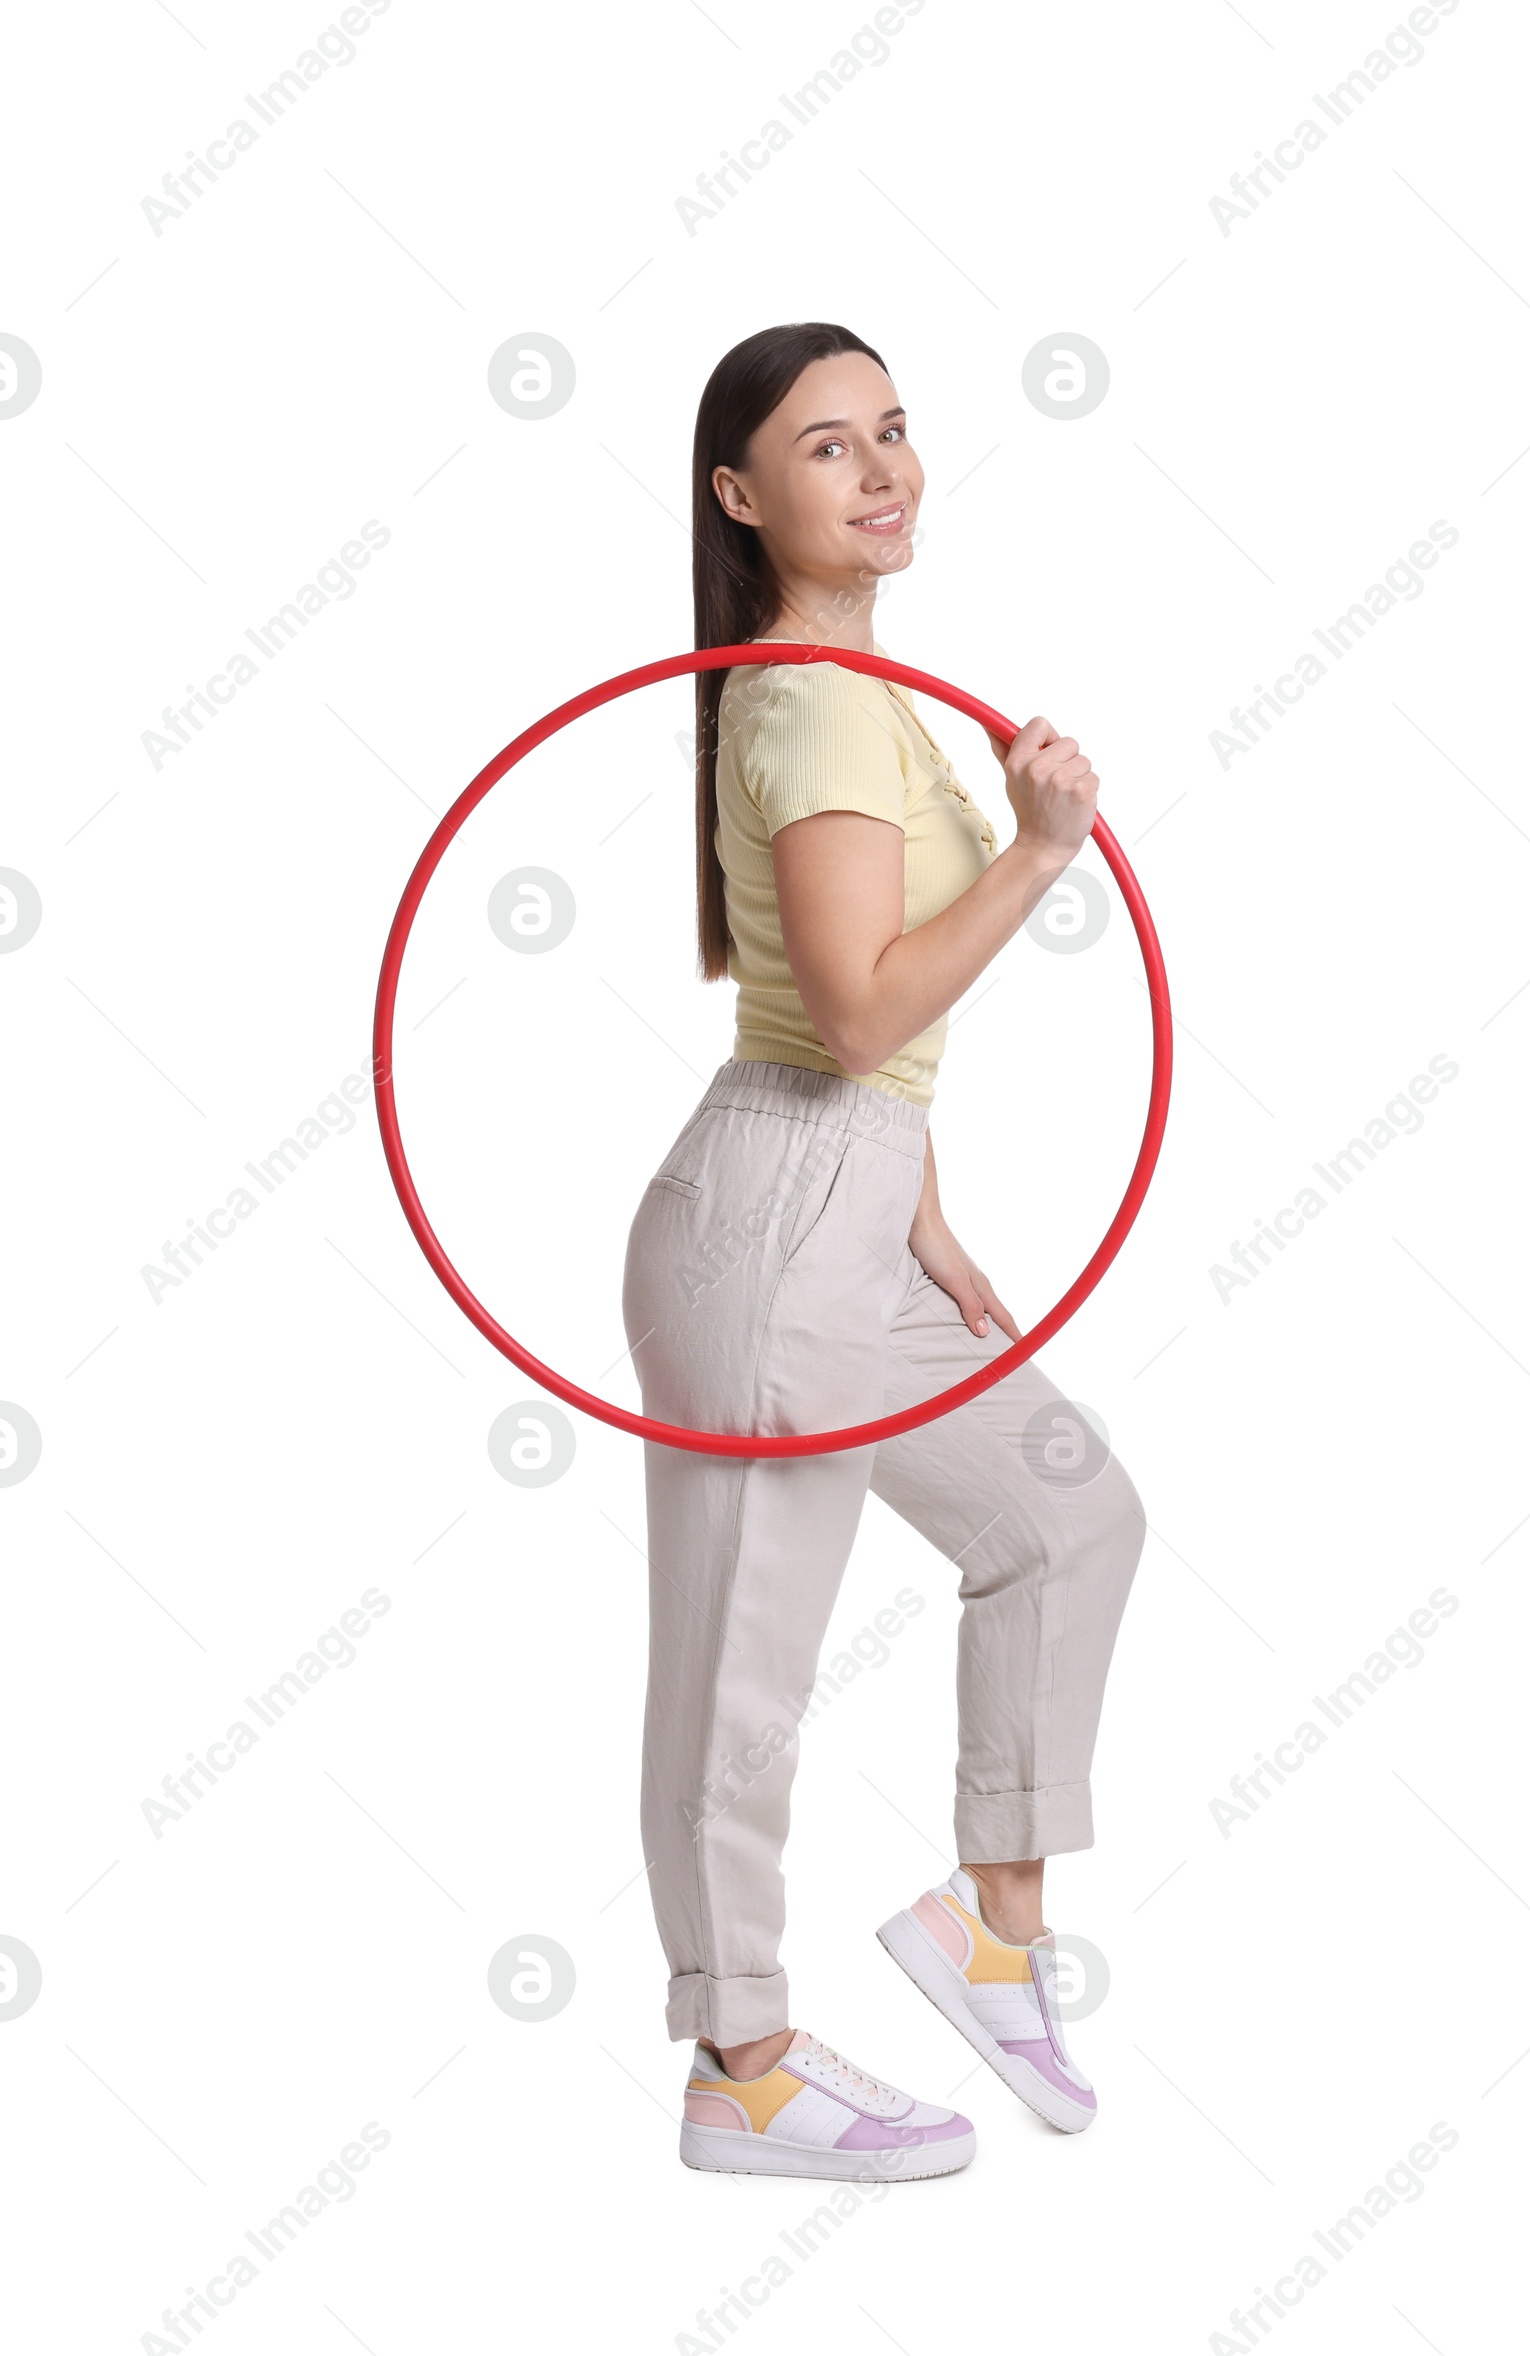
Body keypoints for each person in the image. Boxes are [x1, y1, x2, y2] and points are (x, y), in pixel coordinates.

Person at [620, 322, 1147, 2181]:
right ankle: (742, 2063)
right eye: (831, 450)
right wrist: (1042, 851)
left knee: (1067, 1512)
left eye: (896, 432)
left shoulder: (847, 683)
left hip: (839, 1201)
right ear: (745, 499)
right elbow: (850, 1015)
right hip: (770, 1232)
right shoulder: (826, 700)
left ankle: (989, 1928)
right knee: (743, 1669)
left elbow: (827, 1029)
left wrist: (920, 1212)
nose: (887, 470)